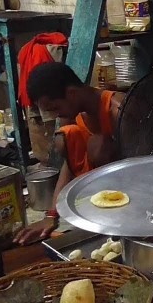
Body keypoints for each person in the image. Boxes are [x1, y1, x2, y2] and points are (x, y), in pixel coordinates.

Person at [13, 62, 124, 245]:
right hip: (94, 191)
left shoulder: (118, 110)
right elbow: (69, 164)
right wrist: (51, 214)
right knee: (65, 136)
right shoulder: (71, 112)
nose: (56, 114)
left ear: (71, 93)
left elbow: (144, 166)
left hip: (122, 189)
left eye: (55, 108)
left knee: (98, 145)